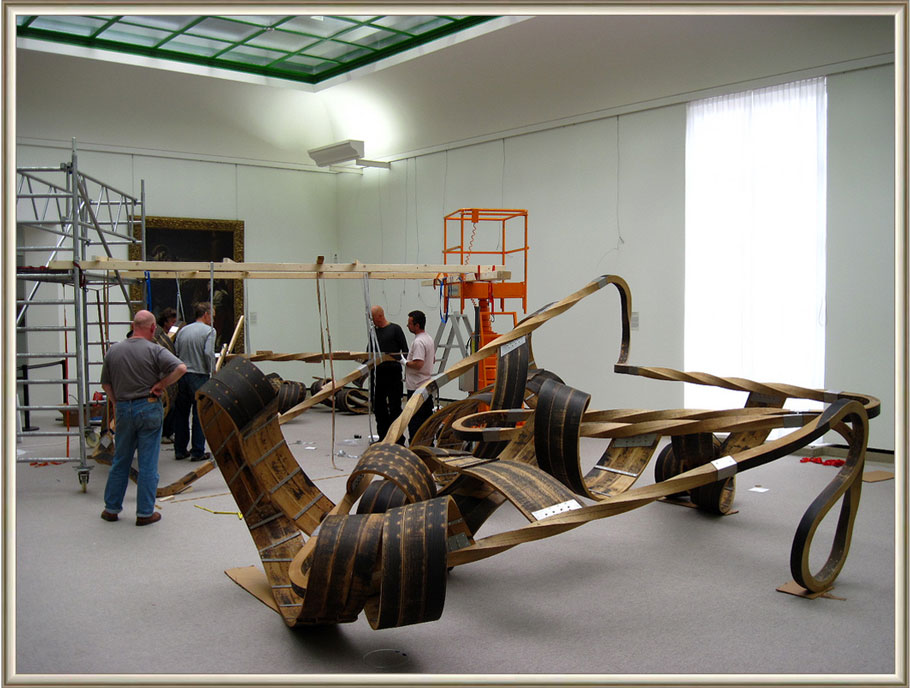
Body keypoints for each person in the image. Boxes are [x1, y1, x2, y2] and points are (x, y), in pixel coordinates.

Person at [100, 310, 186, 526]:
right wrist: (162, 385)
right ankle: (145, 513)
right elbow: (181, 368)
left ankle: (111, 509)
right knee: (148, 463)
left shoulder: (114, 351)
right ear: (152, 328)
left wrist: (116, 402)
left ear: (133, 325)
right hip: (148, 407)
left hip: (123, 410)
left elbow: (106, 384)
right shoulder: (155, 350)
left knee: (121, 460)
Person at [173, 302, 215, 461]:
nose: (213, 319)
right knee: (199, 414)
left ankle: (180, 450)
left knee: (181, 414)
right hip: (199, 375)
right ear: (206, 314)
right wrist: (213, 370)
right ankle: (197, 451)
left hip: (182, 375)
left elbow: (176, 351)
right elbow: (208, 353)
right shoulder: (209, 331)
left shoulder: (183, 330)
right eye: (213, 316)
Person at [367, 305, 409, 442]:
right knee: (379, 408)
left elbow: (405, 351)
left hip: (393, 374)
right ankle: (383, 437)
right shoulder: (373, 333)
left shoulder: (395, 329)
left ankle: (397, 438)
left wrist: (400, 361)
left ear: (380, 316)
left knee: (395, 408)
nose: (372, 321)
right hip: (377, 376)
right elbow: (368, 352)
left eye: (372, 318)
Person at [404, 309, 436, 445]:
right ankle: (428, 444)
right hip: (426, 385)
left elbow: (418, 364)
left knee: (415, 420)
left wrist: (404, 362)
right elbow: (432, 360)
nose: (407, 326)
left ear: (417, 326)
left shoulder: (418, 343)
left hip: (416, 387)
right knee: (427, 419)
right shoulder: (428, 339)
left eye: (409, 324)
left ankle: (416, 446)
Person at [156, 307, 179, 444]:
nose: (173, 324)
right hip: (161, 377)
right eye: (172, 321)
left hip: (167, 376)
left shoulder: (166, 336)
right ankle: (164, 433)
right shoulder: (159, 337)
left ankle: (168, 432)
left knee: (172, 406)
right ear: (165, 322)